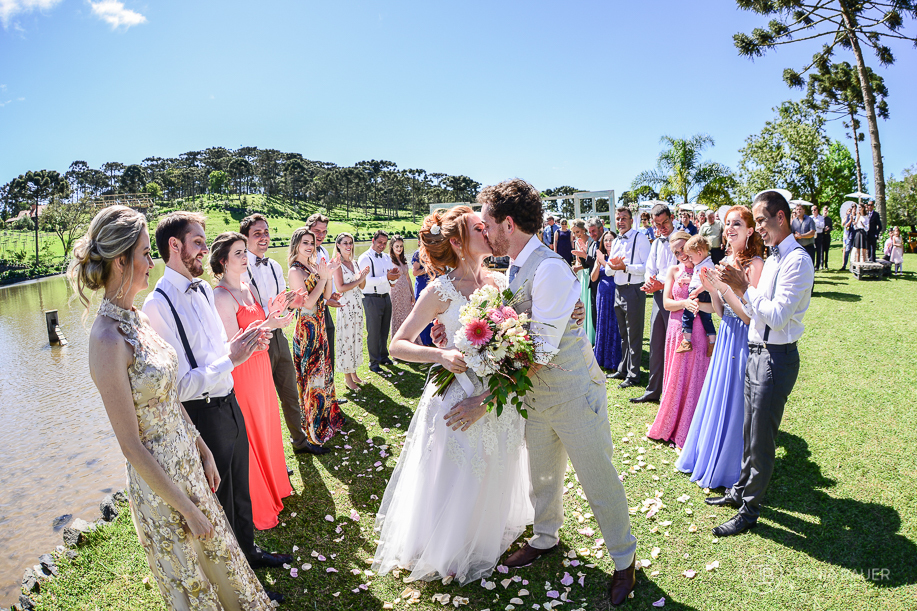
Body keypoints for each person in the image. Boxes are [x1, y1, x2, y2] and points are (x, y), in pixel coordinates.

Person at [68, 207, 278, 608]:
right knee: (192, 575)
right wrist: (187, 509)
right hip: (162, 483)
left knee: (221, 563)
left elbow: (166, 392)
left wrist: (200, 446)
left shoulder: (135, 319)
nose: (152, 262)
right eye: (147, 253)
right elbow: (130, 445)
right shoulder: (107, 340)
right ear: (120, 261)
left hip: (188, 460)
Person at [438, 180, 636, 606]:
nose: (484, 231)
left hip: (571, 391)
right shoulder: (514, 266)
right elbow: (515, 327)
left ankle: (624, 561)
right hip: (536, 399)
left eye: (487, 223)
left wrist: (487, 391)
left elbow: (541, 351)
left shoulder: (547, 268)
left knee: (597, 477)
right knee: (542, 475)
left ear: (508, 224)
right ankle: (545, 537)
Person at [372, 206, 535, 585]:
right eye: (481, 228)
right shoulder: (439, 290)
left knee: (495, 461)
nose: (489, 231)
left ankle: (484, 530)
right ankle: (447, 543)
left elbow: (524, 330)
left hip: (495, 394)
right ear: (460, 243)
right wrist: (440, 354)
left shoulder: (500, 281)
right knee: (456, 470)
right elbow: (398, 345)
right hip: (456, 392)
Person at [141, 211, 292, 585]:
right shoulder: (157, 306)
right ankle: (238, 582)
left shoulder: (205, 289)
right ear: (173, 246)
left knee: (241, 487)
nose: (204, 251)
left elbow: (216, 351)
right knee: (220, 501)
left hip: (230, 400)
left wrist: (243, 344)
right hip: (202, 414)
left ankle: (250, 552)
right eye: (197, 242)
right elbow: (177, 386)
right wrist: (232, 357)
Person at [705, 190, 814, 537]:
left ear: (781, 218)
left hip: (776, 356)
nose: (760, 229)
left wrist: (743, 287)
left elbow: (779, 316)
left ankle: (750, 510)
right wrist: (732, 290)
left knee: (762, 439)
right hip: (756, 351)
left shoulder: (797, 261)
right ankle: (739, 490)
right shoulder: (774, 258)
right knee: (748, 431)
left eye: (763, 221)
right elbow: (753, 312)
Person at [676, 206, 764, 489]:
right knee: (719, 394)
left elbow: (749, 315)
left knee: (736, 400)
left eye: (737, 223)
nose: (730, 228)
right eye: (728, 224)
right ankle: (708, 454)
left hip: (743, 338)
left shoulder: (755, 265)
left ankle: (730, 465)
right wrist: (713, 290)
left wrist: (723, 288)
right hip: (726, 333)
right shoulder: (724, 260)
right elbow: (721, 312)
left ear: (750, 230)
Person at [211, 231, 294, 531]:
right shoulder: (221, 296)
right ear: (222, 261)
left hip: (261, 368)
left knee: (268, 426)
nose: (245, 256)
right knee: (252, 433)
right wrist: (268, 324)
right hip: (243, 373)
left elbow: (260, 329)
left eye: (244, 251)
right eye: (237, 253)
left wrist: (274, 317)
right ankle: (259, 503)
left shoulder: (247, 287)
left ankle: (276, 487)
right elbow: (234, 342)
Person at [240, 213, 328, 455]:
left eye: (266, 232)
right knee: (263, 403)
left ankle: (300, 443)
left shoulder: (276, 266)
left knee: (290, 393)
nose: (264, 237)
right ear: (245, 238)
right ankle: (270, 458)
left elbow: (284, 301)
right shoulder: (240, 266)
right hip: (257, 341)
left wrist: (292, 301)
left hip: (279, 337)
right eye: (257, 233)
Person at [646, 231, 712, 449]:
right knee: (676, 375)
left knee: (694, 376)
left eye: (683, 248)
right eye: (675, 251)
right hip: (676, 330)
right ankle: (671, 424)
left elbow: (715, 306)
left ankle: (691, 427)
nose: (680, 254)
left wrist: (697, 305)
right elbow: (666, 303)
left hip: (699, 330)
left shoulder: (705, 269)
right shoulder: (673, 270)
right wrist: (685, 303)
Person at [288, 227, 346, 446]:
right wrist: (322, 278)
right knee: (311, 379)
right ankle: (312, 430)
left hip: (320, 326)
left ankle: (326, 419)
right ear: (296, 244)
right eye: (305, 242)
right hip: (307, 331)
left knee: (323, 374)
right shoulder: (295, 271)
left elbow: (327, 295)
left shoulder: (313, 265)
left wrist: (328, 275)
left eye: (311, 243)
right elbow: (308, 303)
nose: (310, 246)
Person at [632, 203, 678, 404]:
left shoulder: (682, 239)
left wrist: (662, 284)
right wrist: (650, 281)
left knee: (673, 345)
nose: (662, 228)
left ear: (672, 217)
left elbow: (683, 269)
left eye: (665, 223)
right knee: (655, 343)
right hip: (658, 297)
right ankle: (653, 390)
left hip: (675, 298)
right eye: (657, 225)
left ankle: (672, 391)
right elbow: (650, 266)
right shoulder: (657, 242)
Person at [607, 207, 652, 389]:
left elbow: (645, 267)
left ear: (631, 220)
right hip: (618, 289)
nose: (620, 221)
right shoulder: (616, 240)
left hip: (633, 289)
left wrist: (625, 267)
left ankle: (634, 375)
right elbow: (609, 269)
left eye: (624, 218)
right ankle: (623, 369)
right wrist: (615, 267)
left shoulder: (639, 238)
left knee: (634, 335)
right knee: (623, 335)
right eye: (618, 218)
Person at [358, 230, 399, 373]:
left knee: (384, 329)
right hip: (371, 298)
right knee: (373, 331)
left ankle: (383, 356)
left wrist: (394, 277)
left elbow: (390, 277)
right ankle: (373, 362)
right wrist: (386, 278)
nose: (382, 245)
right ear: (373, 241)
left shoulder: (387, 257)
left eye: (384, 243)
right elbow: (364, 282)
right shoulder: (365, 258)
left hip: (386, 297)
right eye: (380, 242)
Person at [333, 233, 370, 390]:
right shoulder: (337, 264)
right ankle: (347, 378)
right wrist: (359, 279)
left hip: (357, 305)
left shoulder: (354, 263)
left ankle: (354, 372)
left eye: (350, 243)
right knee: (346, 340)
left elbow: (361, 287)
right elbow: (340, 287)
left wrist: (363, 276)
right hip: (346, 306)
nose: (348, 246)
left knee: (356, 339)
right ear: (338, 246)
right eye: (345, 243)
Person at [676, 235, 717, 358]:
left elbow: (708, 282)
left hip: (701, 293)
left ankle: (686, 341)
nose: (690, 259)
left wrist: (696, 291)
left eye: (691, 256)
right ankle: (712, 342)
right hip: (701, 291)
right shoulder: (703, 263)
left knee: (687, 315)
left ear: (699, 253)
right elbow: (698, 279)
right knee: (706, 319)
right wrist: (687, 280)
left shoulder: (706, 265)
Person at [592, 230, 622, 371]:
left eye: (611, 240)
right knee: (602, 324)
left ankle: (614, 359)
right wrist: (598, 263)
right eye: (606, 240)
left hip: (615, 292)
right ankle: (601, 356)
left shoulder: (617, 256)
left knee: (614, 324)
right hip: (602, 294)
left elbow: (615, 272)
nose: (608, 243)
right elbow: (593, 278)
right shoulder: (600, 257)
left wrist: (604, 261)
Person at [570, 219, 594, 344]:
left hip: (590, 273)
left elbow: (590, 261)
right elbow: (578, 261)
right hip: (581, 275)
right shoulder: (577, 243)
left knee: (590, 301)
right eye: (574, 233)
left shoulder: (591, 241)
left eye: (578, 232)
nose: (576, 235)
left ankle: (592, 334)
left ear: (584, 229)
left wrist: (578, 268)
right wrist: (576, 268)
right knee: (583, 300)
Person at [388, 235, 415, 343]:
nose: (399, 249)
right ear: (392, 247)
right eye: (397, 246)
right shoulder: (389, 260)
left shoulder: (403, 260)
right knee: (397, 317)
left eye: (401, 246)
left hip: (406, 293)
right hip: (396, 293)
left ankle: (408, 341)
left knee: (407, 317)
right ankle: (397, 343)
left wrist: (412, 294)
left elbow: (408, 278)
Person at [410, 249, 433, 345]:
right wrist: (428, 269)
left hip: (433, 286)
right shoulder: (417, 254)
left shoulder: (435, 251)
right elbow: (415, 272)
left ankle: (432, 339)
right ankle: (423, 341)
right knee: (422, 314)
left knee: (433, 313)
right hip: (422, 287)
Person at [840, 204, 856, 271]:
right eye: (852, 207)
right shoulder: (849, 216)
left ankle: (852, 266)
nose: (853, 208)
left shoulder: (858, 215)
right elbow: (846, 225)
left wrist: (854, 221)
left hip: (856, 235)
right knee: (847, 250)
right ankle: (844, 266)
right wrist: (850, 220)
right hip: (849, 235)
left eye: (854, 207)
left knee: (854, 252)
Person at [811, 205, 826, 270]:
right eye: (812, 210)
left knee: (819, 250)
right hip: (812, 235)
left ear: (817, 210)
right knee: (812, 250)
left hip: (819, 234)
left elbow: (822, 225)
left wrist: (815, 224)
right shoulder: (810, 218)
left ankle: (817, 265)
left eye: (814, 210)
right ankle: (812, 264)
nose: (813, 211)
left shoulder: (821, 218)